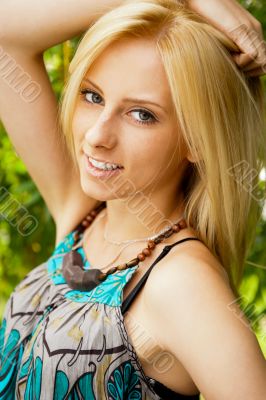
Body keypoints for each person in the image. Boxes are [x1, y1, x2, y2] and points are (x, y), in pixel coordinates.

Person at [0, 0, 265, 399]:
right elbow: (6, 36)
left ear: (197, 140)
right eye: (92, 96)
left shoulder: (181, 283)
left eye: (141, 114)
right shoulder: (85, 218)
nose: (96, 136)